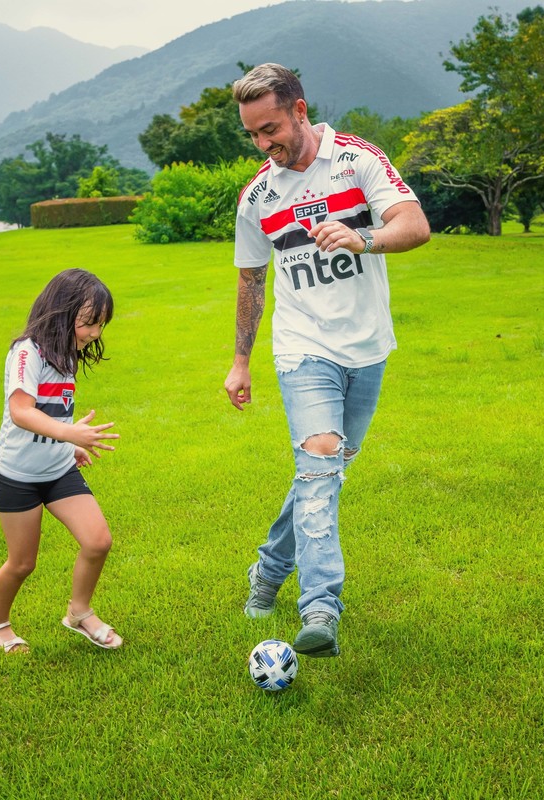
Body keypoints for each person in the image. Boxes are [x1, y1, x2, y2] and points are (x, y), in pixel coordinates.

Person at [224, 63, 431, 658]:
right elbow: (250, 282)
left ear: (300, 109)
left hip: (368, 350)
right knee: (319, 462)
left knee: (328, 473)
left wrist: (362, 237)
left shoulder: (357, 159)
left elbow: (414, 225)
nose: (264, 144)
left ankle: (267, 570)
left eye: (270, 129)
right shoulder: (257, 197)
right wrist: (241, 360)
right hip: (301, 350)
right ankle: (320, 606)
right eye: (253, 135)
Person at [0, 268, 123, 654]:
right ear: (62, 311)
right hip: (17, 476)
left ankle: (78, 612)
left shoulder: (66, 355)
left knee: (98, 542)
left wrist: (69, 442)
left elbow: (53, 414)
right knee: (22, 563)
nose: (95, 333)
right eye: (88, 323)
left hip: (58, 469)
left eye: (100, 325)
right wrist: (70, 434)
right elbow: (22, 411)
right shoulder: (27, 352)